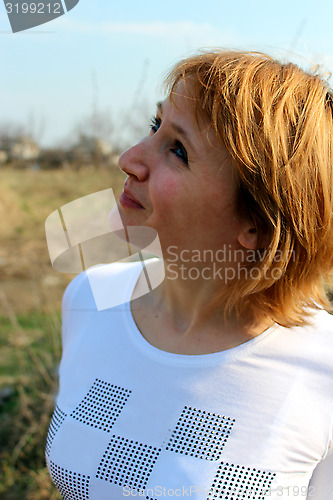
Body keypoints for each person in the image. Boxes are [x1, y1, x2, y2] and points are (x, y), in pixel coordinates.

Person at [46, 49, 333, 500]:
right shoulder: (89, 298)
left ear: (257, 224)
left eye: (177, 150)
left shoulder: (323, 371)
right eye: (154, 126)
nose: (128, 159)